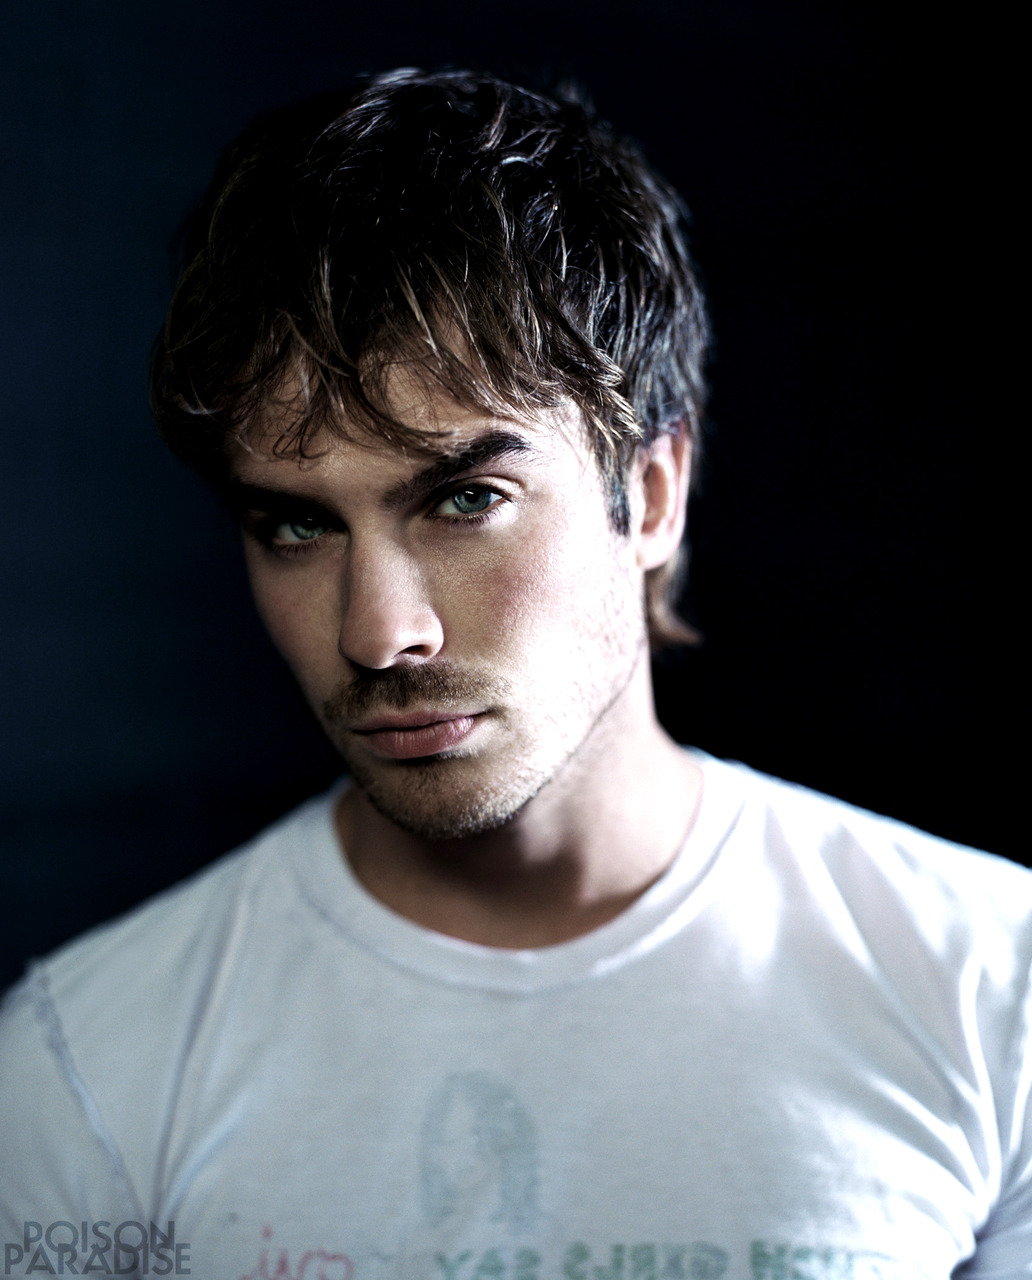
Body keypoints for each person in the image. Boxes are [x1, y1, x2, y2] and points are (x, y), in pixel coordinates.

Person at [1, 67, 1029, 1279]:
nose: (378, 634)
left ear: (651, 494)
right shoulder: (85, 1066)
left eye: (465, 499)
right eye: (297, 524)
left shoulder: (993, 988)